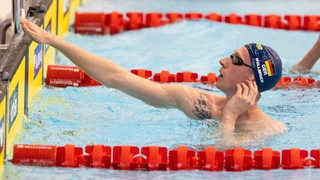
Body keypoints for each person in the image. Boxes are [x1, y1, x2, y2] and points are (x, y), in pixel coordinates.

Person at [20, 17, 287, 147]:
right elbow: (117, 77)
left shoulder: (268, 130)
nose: (222, 61)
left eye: (234, 59)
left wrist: (229, 117)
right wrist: (54, 41)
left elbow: (222, 160)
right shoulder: (198, 102)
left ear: (252, 77)